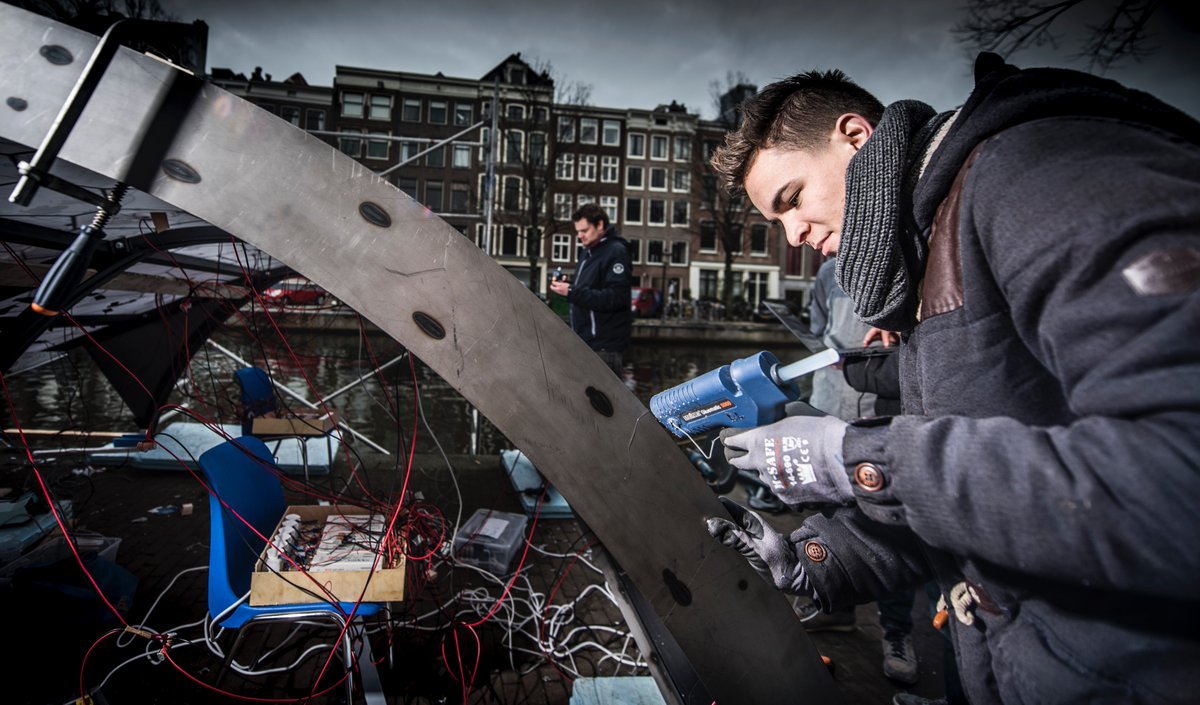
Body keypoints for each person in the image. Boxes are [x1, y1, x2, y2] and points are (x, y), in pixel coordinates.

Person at [705, 53, 1200, 705]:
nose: (793, 235)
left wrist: (860, 457)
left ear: (855, 136)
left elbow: (1178, 478)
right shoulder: (922, 263)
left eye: (791, 199)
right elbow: (958, 509)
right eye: (776, 224)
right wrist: (813, 559)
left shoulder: (1035, 175)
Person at [800, 257, 923, 689]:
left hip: (882, 416)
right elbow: (817, 324)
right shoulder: (827, 274)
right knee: (830, 517)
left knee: (889, 524)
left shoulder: (898, 261)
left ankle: (896, 633)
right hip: (830, 407)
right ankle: (836, 607)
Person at [549, 203, 633, 375]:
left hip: (603, 348)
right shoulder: (588, 253)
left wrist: (572, 292)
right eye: (578, 232)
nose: (580, 236)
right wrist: (569, 285)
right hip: (587, 345)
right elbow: (590, 290)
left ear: (600, 225)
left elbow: (616, 297)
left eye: (584, 230)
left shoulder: (615, 251)